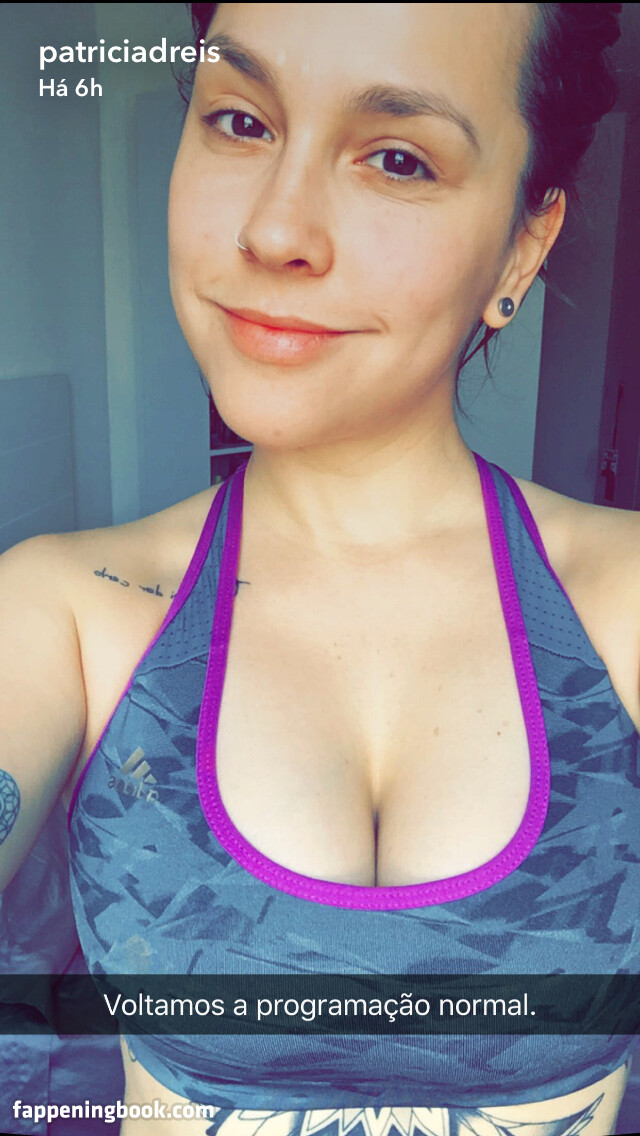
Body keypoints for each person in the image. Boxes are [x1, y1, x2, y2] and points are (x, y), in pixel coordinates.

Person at [1, 3, 638, 1134]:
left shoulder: (625, 603)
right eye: (241, 121)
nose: (274, 228)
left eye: (398, 158)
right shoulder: (62, 612)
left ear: (523, 247)